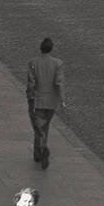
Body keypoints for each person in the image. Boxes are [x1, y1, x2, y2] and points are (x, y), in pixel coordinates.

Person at [26, 36, 65, 169]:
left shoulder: (33, 62)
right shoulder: (58, 63)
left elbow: (31, 83)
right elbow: (59, 82)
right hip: (52, 100)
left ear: (41, 48)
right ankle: (42, 148)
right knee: (45, 125)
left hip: (37, 99)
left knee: (38, 127)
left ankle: (40, 151)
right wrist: (62, 98)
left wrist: (30, 96)